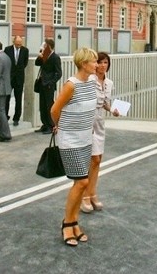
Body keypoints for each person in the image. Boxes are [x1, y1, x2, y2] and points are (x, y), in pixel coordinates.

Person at [50, 47, 98, 247]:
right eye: (94, 61)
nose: (97, 64)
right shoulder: (72, 85)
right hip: (69, 140)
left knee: (80, 184)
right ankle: (67, 223)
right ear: (83, 63)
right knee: (82, 182)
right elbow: (54, 109)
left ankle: (74, 221)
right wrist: (59, 125)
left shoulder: (92, 82)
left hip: (86, 139)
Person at [81, 51, 120, 214]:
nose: (103, 65)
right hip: (88, 119)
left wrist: (112, 110)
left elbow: (104, 103)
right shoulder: (89, 80)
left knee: (98, 160)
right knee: (92, 158)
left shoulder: (109, 83)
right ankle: (84, 196)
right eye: (100, 62)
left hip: (100, 121)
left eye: (106, 63)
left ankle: (92, 193)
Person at [35, 38, 62, 134]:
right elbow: (37, 63)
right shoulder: (45, 55)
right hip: (42, 83)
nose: (43, 47)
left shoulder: (55, 57)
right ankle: (44, 124)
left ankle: (51, 125)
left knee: (49, 105)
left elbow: (59, 73)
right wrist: (40, 56)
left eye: (45, 46)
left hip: (49, 85)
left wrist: (51, 83)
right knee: (42, 105)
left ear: (49, 46)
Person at [4, 36, 29, 126]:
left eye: (20, 44)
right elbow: (5, 61)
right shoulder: (7, 49)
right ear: (13, 42)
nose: (19, 45)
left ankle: (16, 118)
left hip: (19, 78)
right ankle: (5, 116)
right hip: (9, 77)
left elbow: (25, 63)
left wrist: (19, 70)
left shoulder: (25, 50)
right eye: (17, 44)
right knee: (6, 98)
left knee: (18, 99)